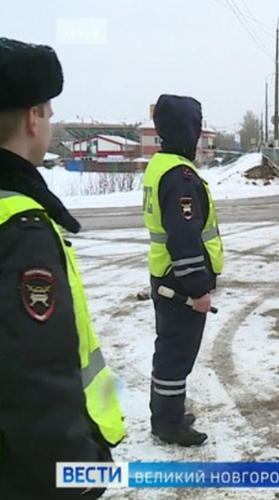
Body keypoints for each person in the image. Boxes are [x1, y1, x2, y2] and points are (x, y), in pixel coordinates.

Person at [0, 37, 126, 499]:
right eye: (49, 114)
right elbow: (35, 383)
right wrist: (76, 476)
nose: (49, 125)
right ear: (33, 118)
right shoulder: (20, 227)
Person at [143, 94, 223, 446]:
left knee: (170, 350)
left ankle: (166, 413)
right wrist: (198, 288)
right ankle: (169, 423)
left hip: (165, 275)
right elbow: (184, 237)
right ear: (187, 130)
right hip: (179, 281)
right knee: (177, 354)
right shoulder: (180, 176)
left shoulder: (160, 165)